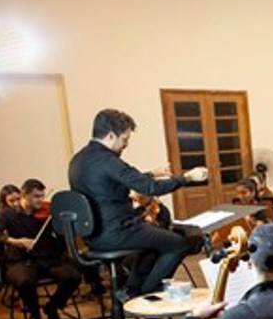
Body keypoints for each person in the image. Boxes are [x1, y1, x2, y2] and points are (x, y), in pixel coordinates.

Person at [68, 109, 208, 297]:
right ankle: (145, 295)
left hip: (93, 237)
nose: (125, 145)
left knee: (153, 244)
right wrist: (187, 177)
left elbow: (118, 180)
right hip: (117, 232)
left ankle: (131, 292)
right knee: (178, 243)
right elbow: (150, 189)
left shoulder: (78, 160)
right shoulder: (108, 161)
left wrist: (153, 173)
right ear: (111, 135)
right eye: (124, 139)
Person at [0, 179, 82, 319]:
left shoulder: (45, 213)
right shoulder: (7, 215)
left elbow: (59, 235)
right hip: (21, 261)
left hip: (46, 259)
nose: (41, 200)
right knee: (24, 281)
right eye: (37, 196)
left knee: (73, 276)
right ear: (24, 195)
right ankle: (34, 314)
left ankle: (52, 307)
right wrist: (16, 241)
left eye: (42, 196)